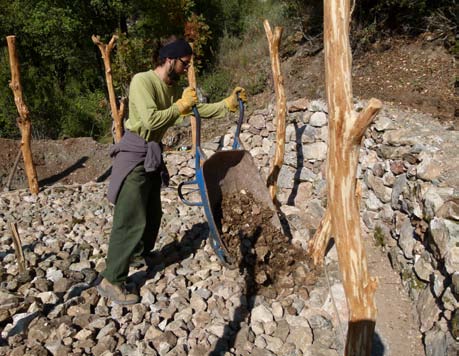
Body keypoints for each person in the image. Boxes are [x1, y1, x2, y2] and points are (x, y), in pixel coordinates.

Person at [97, 37, 247, 304]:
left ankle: (138, 254)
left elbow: (194, 111)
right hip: (135, 153)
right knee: (131, 219)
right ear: (170, 59)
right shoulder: (142, 81)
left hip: (152, 152)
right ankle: (112, 279)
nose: (186, 69)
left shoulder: (167, 87)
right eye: (184, 63)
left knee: (153, 212)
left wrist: (227, 104)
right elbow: (149, 119)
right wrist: (179, 107)